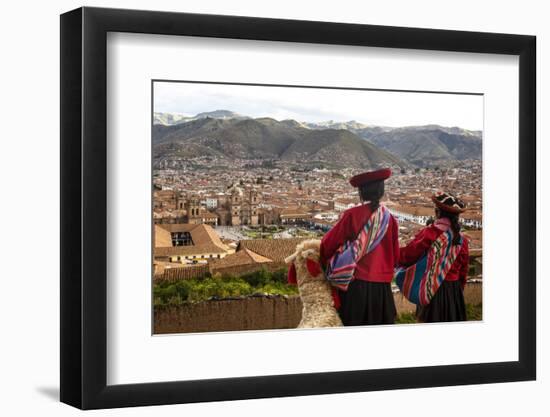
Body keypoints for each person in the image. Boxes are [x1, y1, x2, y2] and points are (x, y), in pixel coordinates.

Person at [320, 168, 400, 325]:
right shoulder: (390, 219)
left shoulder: (352, 215)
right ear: (381, 191)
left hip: (356, 286)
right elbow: (395, 256)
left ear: (362, 193)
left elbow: (328, 244)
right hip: (382, 290)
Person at [399, 191, 470, 322]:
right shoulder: (462, 241)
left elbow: (408, 256)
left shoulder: (429, 233)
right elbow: (463, 272)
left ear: (437, 212)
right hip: (453, 291)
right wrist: (456, 292)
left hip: (431, 289)